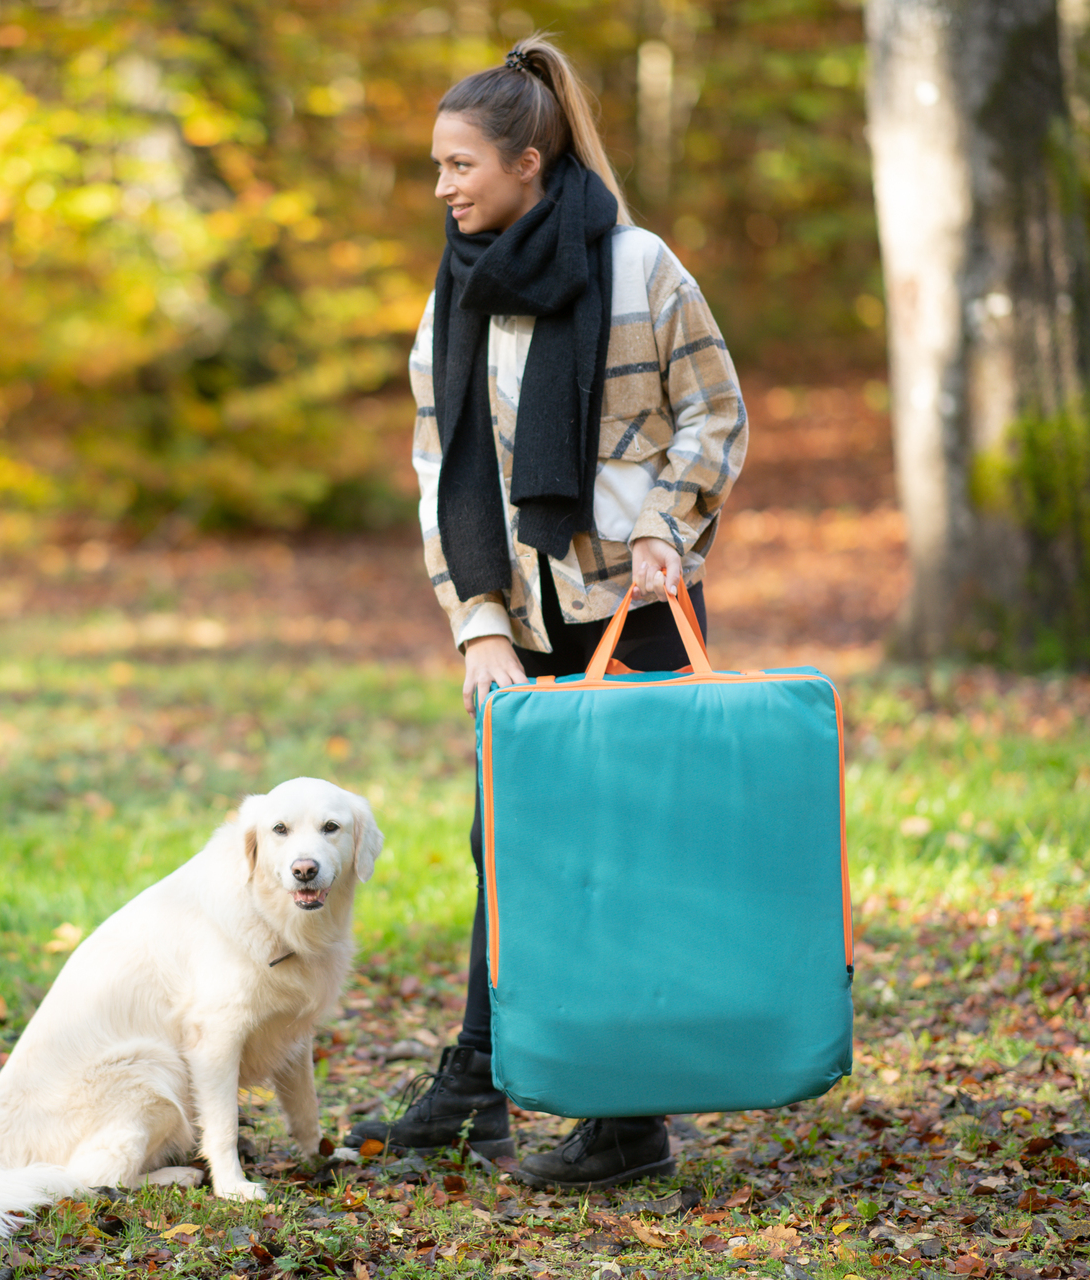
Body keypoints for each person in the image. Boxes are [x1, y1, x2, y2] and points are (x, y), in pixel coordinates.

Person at [343, 35, 747, 1190]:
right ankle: (478, 1086)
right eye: (436, 165)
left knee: (627, 844)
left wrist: (667, 520)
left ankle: (630, 1116)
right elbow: (441, 468)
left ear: (528, 161)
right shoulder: (454, 292)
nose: (442, 186)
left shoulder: (640, 268)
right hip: (515, 616)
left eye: (460, 164)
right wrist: (475, 616)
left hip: (635, 602)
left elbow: (714, 413)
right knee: (508, 838)